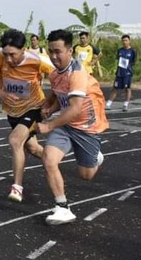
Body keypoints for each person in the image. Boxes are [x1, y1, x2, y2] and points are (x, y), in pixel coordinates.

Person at [38, 29, 108, 225]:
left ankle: (96, 157)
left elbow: (75, 107)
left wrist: (49, 125)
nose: (53, 56)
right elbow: (59, 94)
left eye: (58, 51)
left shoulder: (77, 74)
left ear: (70, 51)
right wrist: (50, 107)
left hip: (86, 127)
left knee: (86, 175)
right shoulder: (55, 74)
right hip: (66, 124)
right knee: (48, 159)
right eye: (51, 51)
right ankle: (62, 207)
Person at [0, 29, 55, 202]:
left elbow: (60, 78)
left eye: (12, 55)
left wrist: (50, 103)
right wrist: (1, 94)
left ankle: (17, 187)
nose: (8, 59)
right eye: (5, 54)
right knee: (32, 148)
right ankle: (54, 160)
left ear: (24, 49)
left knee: (15, 140)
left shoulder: (37, 60)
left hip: (34, 107)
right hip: (12, 110)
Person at [106, 34, 137, 111]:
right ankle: (109, 103)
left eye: (126, 40)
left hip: (127, 73)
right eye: (123, 40)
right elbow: (118, 60)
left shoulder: (133, 51)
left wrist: (128, 66)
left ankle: (126, 104)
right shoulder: (120, 50)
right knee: (115, 88)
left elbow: (133, 61)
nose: (124, 42)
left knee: (127, 88)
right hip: (119, 72)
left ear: (129, 41)